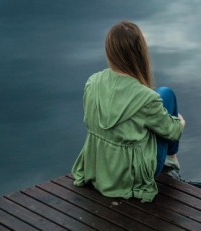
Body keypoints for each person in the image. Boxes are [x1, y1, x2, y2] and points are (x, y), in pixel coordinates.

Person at [71, 21, 185, 202]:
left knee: (160, 98)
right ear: (140, 52)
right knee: (166, 94)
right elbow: (173, 132)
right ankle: (171, 159)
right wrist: (180, 122)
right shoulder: (147, 98)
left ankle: (169, 158)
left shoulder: (92, 82)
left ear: (110, 51)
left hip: (99, 168)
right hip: (130, 177)